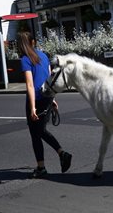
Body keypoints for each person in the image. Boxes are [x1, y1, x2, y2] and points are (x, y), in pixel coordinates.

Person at [17, 31, 72, 179]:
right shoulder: (43, 55)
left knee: (38, 132)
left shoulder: (25, 59)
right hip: (47, 96)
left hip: (36, 98)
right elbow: (49, 79)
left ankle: (62, 153)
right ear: (33, 42)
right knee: (37, 132)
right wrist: (52, 98)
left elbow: (30, 85)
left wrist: (32, 107)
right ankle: (41, 167)